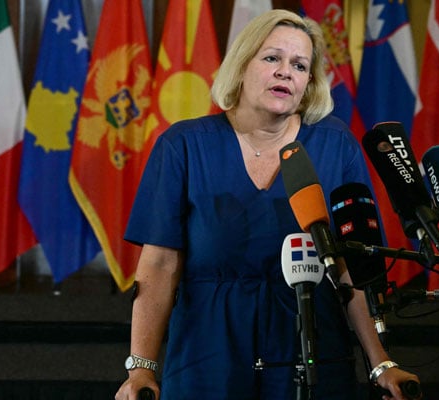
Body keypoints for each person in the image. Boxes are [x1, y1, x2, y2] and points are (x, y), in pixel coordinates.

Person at [115, 9, 421, 400]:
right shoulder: (184, 146)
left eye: (299, 64)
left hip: (311, 351)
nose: (285, 72)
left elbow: (351, 268)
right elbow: (158, 265)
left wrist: (381, 363)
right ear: (242, 65)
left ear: (309, 82)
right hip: (208, 355)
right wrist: (141, 368)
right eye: (272, 58)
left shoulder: (335, 145)